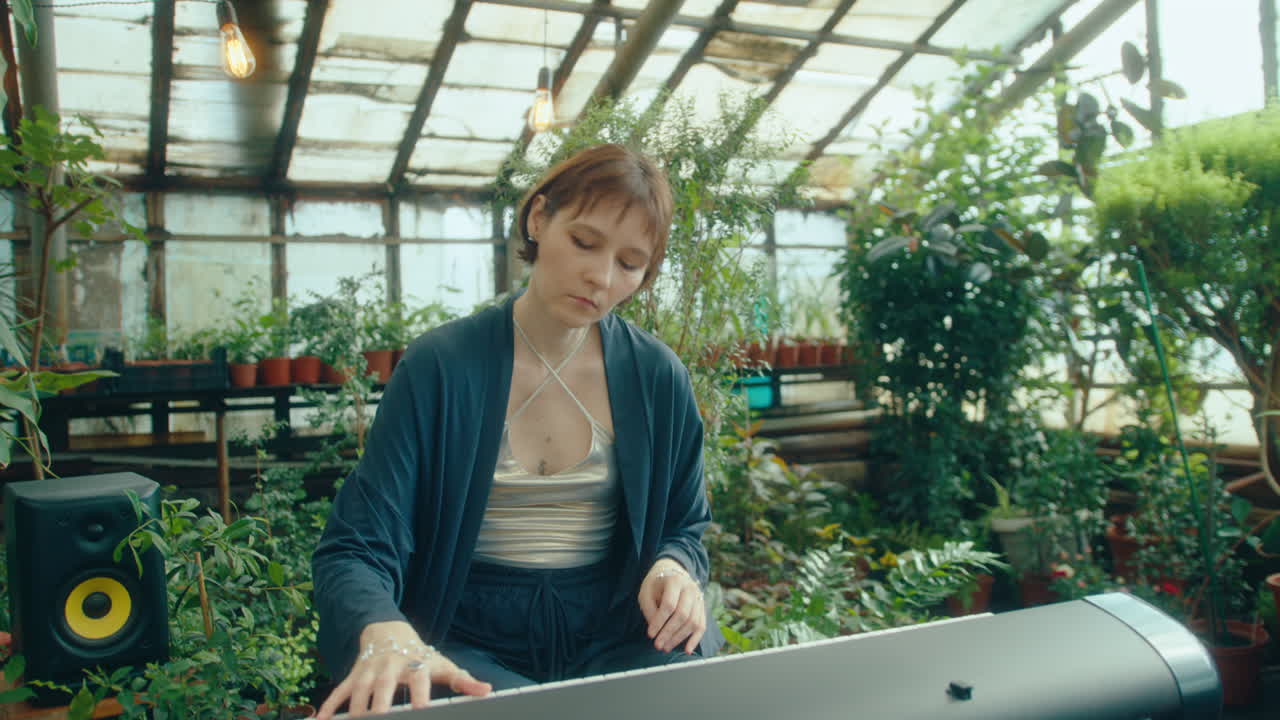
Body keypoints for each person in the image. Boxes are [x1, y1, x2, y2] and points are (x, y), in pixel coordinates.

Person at [312, 143, 723, 718]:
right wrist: (383, 628)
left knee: (699, 687)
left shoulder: (656, 376)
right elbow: (358, 543)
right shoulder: (441, 367)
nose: (600, 276)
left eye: (630, 263)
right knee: (432, 689)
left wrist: (673, 564)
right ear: (538, 218)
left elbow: (684, 524)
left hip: (615, 633)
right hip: (466, 632)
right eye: (584, 242)